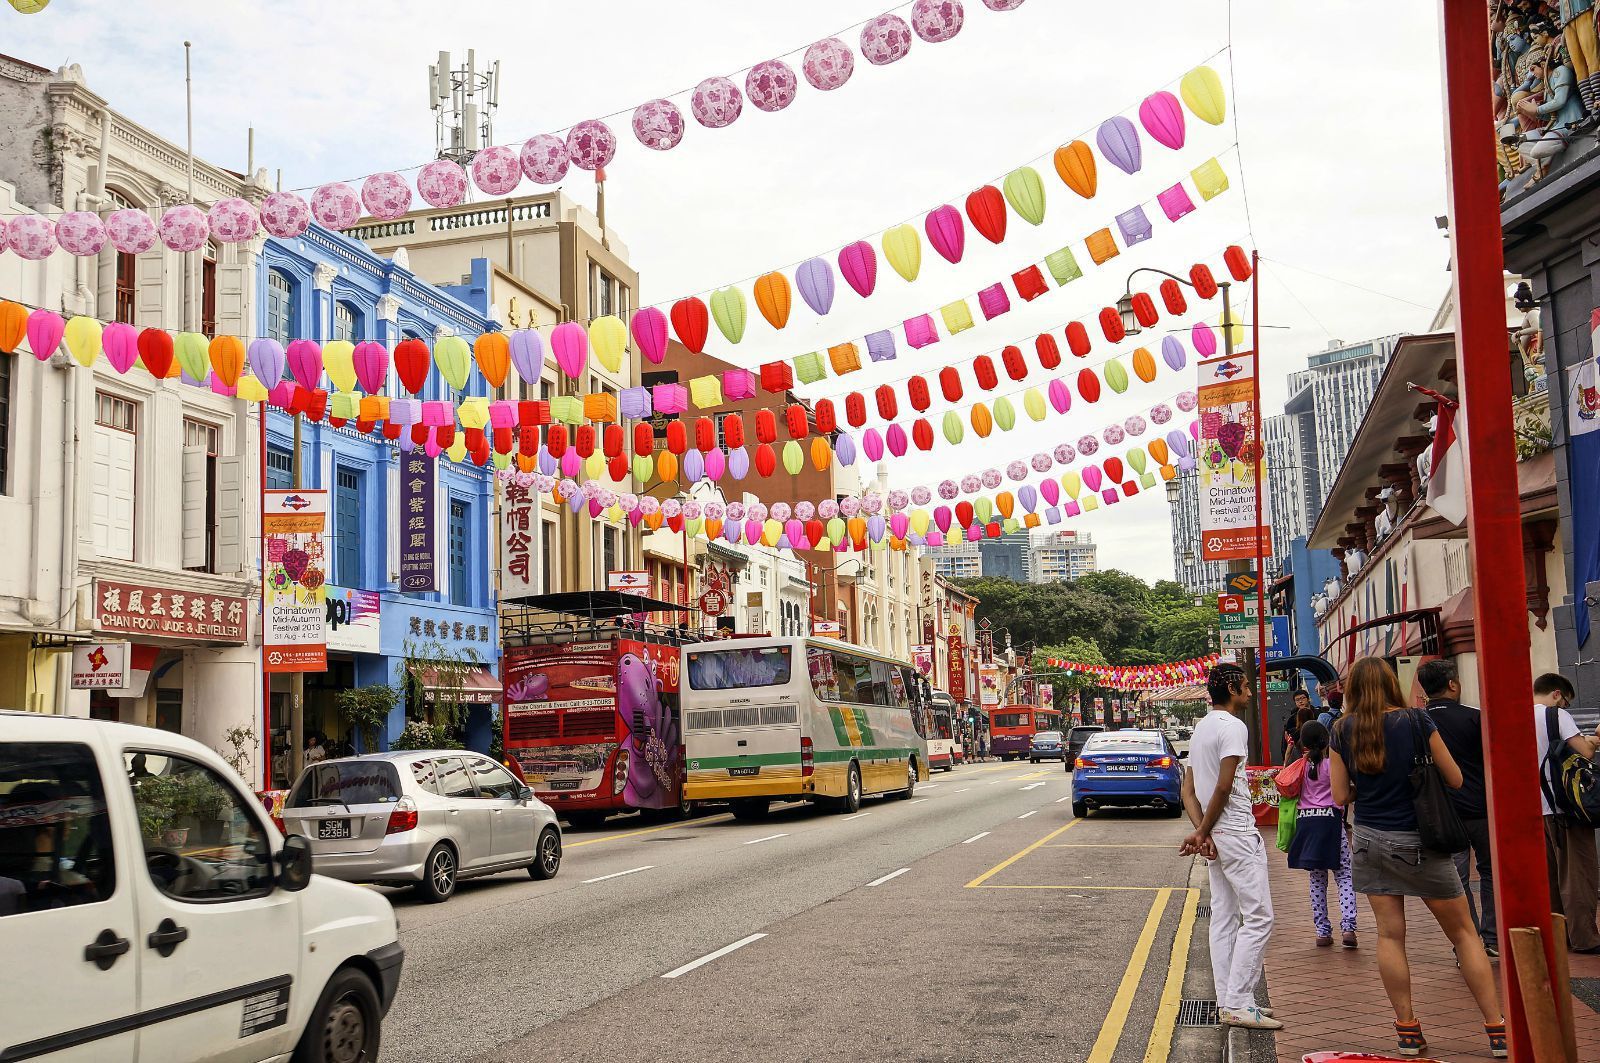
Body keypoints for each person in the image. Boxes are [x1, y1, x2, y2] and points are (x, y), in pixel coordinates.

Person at [1330, 657, 1504, 1059]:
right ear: (1393, 684)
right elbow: (1456, 778)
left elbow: (1340, 796)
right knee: (1464, 934)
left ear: (1353, 690)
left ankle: (1407, 1032)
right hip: (1422, 841)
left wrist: (1365, 788)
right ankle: (1496, 1030)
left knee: (1390, 935)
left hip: (1371, 840)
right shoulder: (1417, 721)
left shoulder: (1342, 730)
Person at [1180, 662, 1280, 1030]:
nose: (1251, 693)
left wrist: (1202, 832)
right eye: (1246, 686)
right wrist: (1205, 830)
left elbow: (1188, 791)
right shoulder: (1233, 727)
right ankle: (1237, 1002)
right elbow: (1223, 788)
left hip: (1217, 837)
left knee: (1224, 917)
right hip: (1236, 831)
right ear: (1234, 689)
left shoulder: (1200, 728)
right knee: (1259, 917)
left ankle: (1231, 999)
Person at [1418, 659, 1497, 957]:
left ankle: (1467, 938)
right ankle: (1492, 938)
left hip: (1441, 814)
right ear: (1452, 684)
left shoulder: (1418, 721)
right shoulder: (1475, 718)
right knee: (1489, 872)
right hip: (1479, 807)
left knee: (1456, 878)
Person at [1535, 671, 1600, 952]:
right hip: (1565, 808)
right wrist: (1595, 739)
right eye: (1566, 702)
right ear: (1557, 694)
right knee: (1578, 875)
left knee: (1549, 877)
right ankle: (1585, 938)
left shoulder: (1516, 715)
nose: (1566, 708)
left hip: (1536, 808)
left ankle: (1558, 935)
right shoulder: (1556, 715)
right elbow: (1583, 752)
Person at [1287, 719, 1358, 949]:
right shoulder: (1331, 765)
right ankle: (1348, 926)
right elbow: (1345, 791)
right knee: (1344, 874)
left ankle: (1322, 930)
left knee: (1317, 879)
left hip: (1307, 824)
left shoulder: (1300, 766)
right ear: (1327, 741)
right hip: (1331, 822)